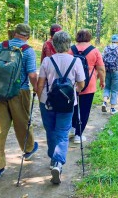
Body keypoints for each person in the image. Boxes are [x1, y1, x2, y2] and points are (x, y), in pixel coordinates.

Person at [0, 23, 38, 180]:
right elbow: (32, 75)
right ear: (27, 36)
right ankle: (28, 149)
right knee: (22, 122)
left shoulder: (0, 46)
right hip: (20, 92)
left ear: (15, 33)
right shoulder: (28, 51)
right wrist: (36, 88)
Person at [37, 30, 85, 184]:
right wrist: (74, 93)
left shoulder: (47, 61)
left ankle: (53, 159)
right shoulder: (76, 61)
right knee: (63, 133)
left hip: (48, 102)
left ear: (54, 44)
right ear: (68, 44)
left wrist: (41, 99)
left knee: (50, 131)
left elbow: (40, 84)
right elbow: (81, 84)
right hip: (68, 103)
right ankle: (58, 163)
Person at [68, 29, 105, 144]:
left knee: (72, 107)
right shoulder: (94, 51)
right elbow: (101, 69)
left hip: (72, 85)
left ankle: (73, 128)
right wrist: (102, 81)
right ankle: (79, 135)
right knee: (84, 110)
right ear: (89, 37)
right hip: (89, 85)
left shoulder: (71, 49)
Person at [102, 34, 118, 114]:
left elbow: (102, 59)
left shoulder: (106, 47)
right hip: (116, 71)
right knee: (114, 90)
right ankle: (112, 109)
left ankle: (105, 102)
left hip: (107, 70)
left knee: (107, 87)